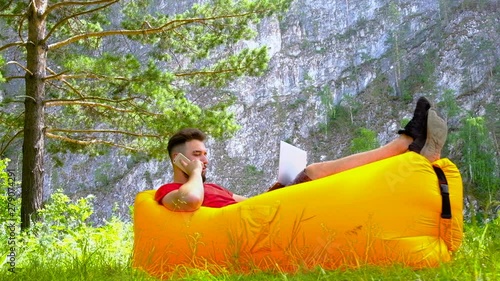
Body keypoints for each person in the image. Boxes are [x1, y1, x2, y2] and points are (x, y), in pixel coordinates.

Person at [155, 97, 448, 212]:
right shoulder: (169, 191)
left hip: (265, 210)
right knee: (317, 172)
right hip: (262, 222)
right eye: (196, 154)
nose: (204, 160)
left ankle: (411, 156)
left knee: (321, 177)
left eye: (205, 154)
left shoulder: (213, 188)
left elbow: (245, 204)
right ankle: (403, 149)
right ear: (177, 159)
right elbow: (191, 201)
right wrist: (193, 175)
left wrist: (274, 191)